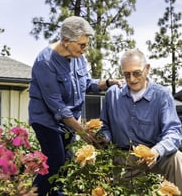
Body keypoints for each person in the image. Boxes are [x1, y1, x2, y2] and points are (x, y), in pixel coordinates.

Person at [28, 16, 122, 196]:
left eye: (86, 44)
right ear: (65, 41)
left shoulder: (77, 56)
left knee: (67, 164)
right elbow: (57, 106)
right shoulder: (45, 62)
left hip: (69, 122)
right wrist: (82, 132)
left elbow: (87, 83)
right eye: (82, 45)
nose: (85, 49)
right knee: (55, 162)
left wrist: (109, 82)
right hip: (47, 120)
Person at [97, 49, 182, 195]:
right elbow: (105, 126)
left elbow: (173, 132)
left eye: (136, 73)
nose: (132, 79)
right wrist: (105, 137)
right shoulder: (112, 94)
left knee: (177, 159)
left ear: (147, 69)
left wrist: (156, 151)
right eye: (126, 74)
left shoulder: (162, 95)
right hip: (123, 159)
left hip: (153, 158)